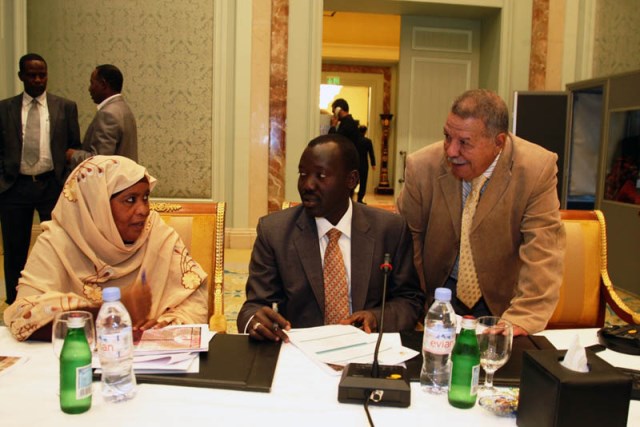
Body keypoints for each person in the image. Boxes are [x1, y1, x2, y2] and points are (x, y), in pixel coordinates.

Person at [397, 89, 566, 335]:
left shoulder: (536, 169)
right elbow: (407, 242)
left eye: (464, 143)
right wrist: (418, 307)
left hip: (503, 301)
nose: (451, 151)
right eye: (447, 137)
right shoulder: (421, 167)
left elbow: (543, 252)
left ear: (499, 142)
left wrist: (521, 319)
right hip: (437, 296)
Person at [237, 134, 424, 342]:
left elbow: (410, 301)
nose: (307, 185)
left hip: (368, 348)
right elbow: (252, 308)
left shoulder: (389, 230)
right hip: (301, 352)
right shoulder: (274, 232)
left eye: (321, 175)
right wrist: (254, 321)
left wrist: (376, 318)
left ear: (351, 180)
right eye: (303, 174)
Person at [4, 155, 208, 341]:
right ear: (96, 205)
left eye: (145, 197)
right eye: (130, 200)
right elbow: (22, 315)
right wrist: (106, 314)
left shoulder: (157, 234)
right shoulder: (57, 242)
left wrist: (163, 327)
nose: (143, 210)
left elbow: (194, 302)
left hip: (149, 358)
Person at [0, 53, 81, 305]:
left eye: (42, 75)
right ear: (21, 76)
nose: (37, 80)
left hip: (51, 186)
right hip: (15, 187)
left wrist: (65, 182)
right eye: (32, 75)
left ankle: (55, 299)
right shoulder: (5, 109)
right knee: (15, 250)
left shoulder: (65, 107)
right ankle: (16, 304)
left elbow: (74, 147)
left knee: (57, 247)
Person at [67, 64, 137, 168]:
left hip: (112, 178)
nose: (89, 89)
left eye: (92, 83)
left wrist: (73, 155)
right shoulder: (124, 108)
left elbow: (100, 161)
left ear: (103, 85)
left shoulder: (108, 114)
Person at [356, 125, 376, 204]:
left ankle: (351, 196)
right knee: (363, 182)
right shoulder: (368, 141)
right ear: (365, 132)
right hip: (364, 164)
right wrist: (373, 164)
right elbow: (371, 153)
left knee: (354, 181)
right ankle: (360, 198)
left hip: (356, 163)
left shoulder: (355, 141)